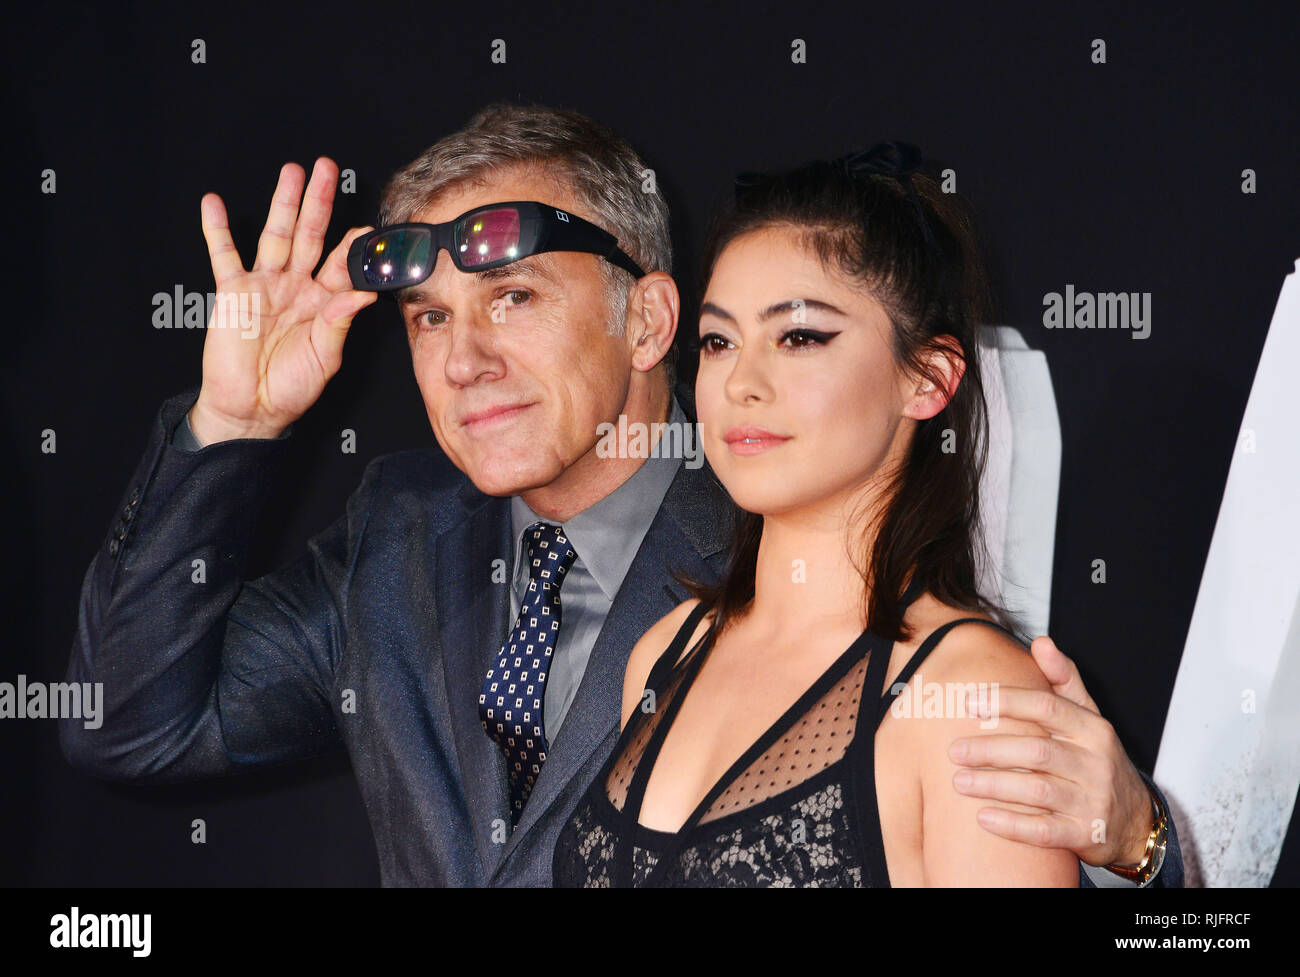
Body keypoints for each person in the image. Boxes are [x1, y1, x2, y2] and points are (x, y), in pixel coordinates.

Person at [60, 103, 1181, 887]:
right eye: (430, 318)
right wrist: (232, 427)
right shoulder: (392, 534)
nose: (460, 360)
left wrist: (1144, 850)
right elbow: (126, 725)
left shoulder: (793, 522)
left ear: (647, 322)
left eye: (512, 299)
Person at [553, 143, 1163, 887]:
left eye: (800, 336)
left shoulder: (972, 695)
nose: (741, 381)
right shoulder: (661, 653)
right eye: (719, 341)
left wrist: (1146, 843)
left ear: (929, 378)